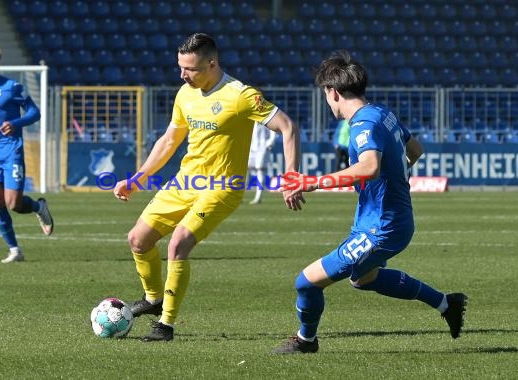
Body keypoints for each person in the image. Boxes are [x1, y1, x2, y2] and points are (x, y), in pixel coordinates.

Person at [273, 50, 467, 354]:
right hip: (381, 220)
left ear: (333, 92)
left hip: (381, 226)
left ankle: (305, 342)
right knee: (364, 279)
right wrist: (396, 175)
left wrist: (312, 182)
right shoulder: (382, 114)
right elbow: (415, 151)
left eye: (325, 94)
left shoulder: (363, 124)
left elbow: (368, 167)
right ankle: (447, 303)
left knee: (306, 282)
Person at [113, 33, 303, 342]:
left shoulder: (240, 95)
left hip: (223, 187)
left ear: (212, 64)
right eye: (180, 67)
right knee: (137, 240)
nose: (182, 75)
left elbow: (288, 126)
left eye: (190, 69)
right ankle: (153, 299)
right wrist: (138, 178)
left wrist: (291, 176)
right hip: (185, 182)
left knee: (178, 244)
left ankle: (166, 325)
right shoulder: (185, 94)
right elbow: (169, 141)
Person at [0, 42, 54, 263]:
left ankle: (38, 206)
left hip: (11, 151)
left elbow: (35, 112)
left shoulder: (12, 87)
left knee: (13, 203)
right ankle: (15, 250)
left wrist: (16, 122)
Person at [248, 121, 276, 204]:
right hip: (251, 148)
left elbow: (273, 131)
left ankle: (258, 197)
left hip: (262, 148)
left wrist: (269, 144)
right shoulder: (251, 119)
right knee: (244, 168)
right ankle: (239, 194)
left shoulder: (266, 118)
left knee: (260, 171)